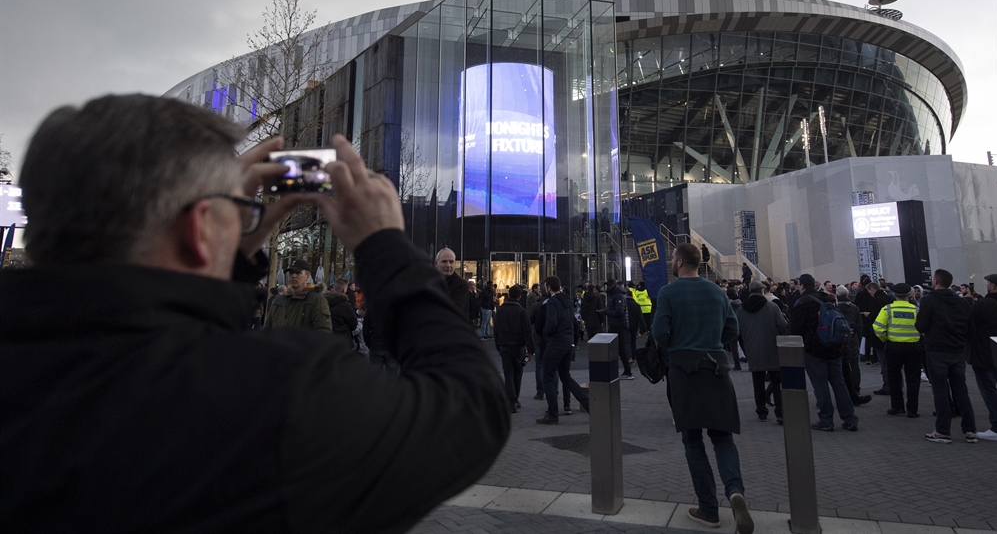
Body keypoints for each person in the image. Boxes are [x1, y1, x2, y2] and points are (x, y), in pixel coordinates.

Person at [0, 95, 510, 532]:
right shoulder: (278, 392)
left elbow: (161, 339)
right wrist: (385, 247)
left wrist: (227, 255)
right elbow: (472, 409)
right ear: (200, 229)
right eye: (233, 207)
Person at [652, 243, 753, 534]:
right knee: (723, 438)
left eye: (673, 258)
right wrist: (714, 343)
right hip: (718, 368)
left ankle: (709, 509)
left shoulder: (669, 293)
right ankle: (735, 492)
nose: (672, 262)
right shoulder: (717, 292)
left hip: (685, 370)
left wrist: (678, 345)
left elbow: (659, 332)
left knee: (692, 441)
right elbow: (732, 329)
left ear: (681, 262)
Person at [916, 268, 978, 443]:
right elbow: (971, 329)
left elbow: (921, 326)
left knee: (941, 391)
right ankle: (970, 429)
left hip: (936, 350)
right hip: (957, 351)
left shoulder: (929, 301)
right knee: (961, 390)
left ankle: (943, 430)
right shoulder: (963, 303)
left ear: (936, 281)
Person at [790, 274, 858, 432]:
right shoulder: (828, 298)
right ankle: (849, 418)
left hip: (814, 349)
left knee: (820, 385)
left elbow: (795, 328)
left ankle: (826, 420)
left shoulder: (802, 303)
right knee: (839, 383)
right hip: (835, 346)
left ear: (802, 286)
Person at [537, 276, 590, 424]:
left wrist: (546, 334)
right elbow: (574, 322)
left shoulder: (552, 302)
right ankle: (589, 405)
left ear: (548, 288)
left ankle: (553, 413)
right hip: (568, 342)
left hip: (556, 343)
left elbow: (552, 323)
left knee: (548, 377)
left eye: (545, 287)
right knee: (566, 376)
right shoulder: (568, 301)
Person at [737, 280, 789, 423]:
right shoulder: (772, 307)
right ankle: (780, 412)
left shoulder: (741, 310)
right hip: (772, 347)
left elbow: (738, 330)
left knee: (757, 381)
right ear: (762, 291)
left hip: (753, 349)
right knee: (776, 381)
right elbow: (783, 326)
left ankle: (761, 411)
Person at [873, 283, 923, 417]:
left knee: (894, 377)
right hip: (913, 347)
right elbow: (923, 327)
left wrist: (885, 338)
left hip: (894, 347)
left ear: (894, 295)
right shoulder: (916, 310)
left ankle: (897, 406)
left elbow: (877, 327)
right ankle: (912, 410)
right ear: (909, 295)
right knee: (913, 379)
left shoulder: (887, 309)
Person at [493, 285, 534, 414]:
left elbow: (496, 329)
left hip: (504, 346)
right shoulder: (522, 312)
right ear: (520, 296)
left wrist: (497, 345)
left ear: (508, 295)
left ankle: (511, 399)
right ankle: (514, 398)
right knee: (518, 373)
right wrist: (531, 349)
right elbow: (527, 332)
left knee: (508, 373)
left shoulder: (500, 310)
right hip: (518, 347)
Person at [969, 274, 997, 441]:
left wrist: (969, 301)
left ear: (994, 286)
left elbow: (969, 318)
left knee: (988, 389)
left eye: (988, 284)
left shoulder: (984, 305)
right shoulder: (987, 303)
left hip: (985, 353)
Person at [264, 259, 333, 332]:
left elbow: (323, 332)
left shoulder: (317, 300)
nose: (293, 276)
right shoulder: (278, 301)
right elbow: (267, 331)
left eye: (298, 273)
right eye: (291, 273)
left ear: (307, 276)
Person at [835, 285, 871, 407]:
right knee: (854, 366)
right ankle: (856, 389)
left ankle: (844, 391)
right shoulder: (854, 308)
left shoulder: (835, 308)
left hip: (839, 342)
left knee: (840, 368)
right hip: (853, 341)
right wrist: (858, 338)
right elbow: (859, 326)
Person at [606, 280, 635, 379]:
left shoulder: (617, 296)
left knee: (618, 347)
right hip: (618, 324)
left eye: (609, 285)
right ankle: (626, 371)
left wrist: (606, 312)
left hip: (618, 325)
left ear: (613, 286)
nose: (607, 287)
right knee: (619, 348)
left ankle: (627, 371)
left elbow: (619, 311)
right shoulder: (615, 295)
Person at [435, 248, 470, 317]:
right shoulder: (429, 281)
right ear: (436, 263)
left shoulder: (461, 285)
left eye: (451, 262)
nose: (448, 265)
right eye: (444, 262)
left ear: (455, 264)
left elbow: (452, 310)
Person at [325, 277, 359, 342]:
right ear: (344, 290)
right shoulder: (345, 306)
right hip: (342, 339)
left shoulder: (325, 302)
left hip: (328, 337)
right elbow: (353, 324)